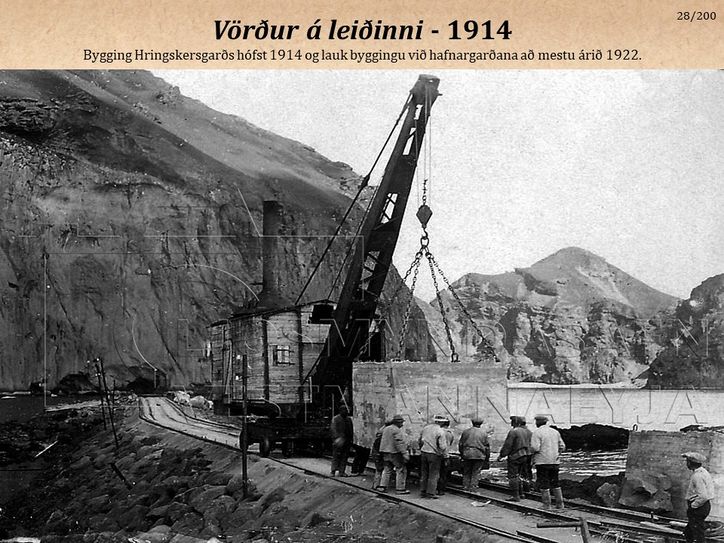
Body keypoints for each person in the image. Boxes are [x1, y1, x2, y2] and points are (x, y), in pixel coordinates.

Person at [530, 414, 566, 509]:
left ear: (538, 422)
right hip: (555, 461)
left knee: (544, 482)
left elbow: (535, 447)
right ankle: (560, 504)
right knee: (555, 482)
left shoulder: (537, 433)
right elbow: (562, 446)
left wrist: (531, 454)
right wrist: (557, 454)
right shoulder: (555, 432)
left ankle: (547, 505)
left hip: (542, 461)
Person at [682, 451, 715, 543]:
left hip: (698, 507)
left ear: (690, 463)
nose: (686, 464)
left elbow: (703, 496)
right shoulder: (703, 472)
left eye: (687, 462)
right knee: (689, 532)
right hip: (703, 506)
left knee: (697, 535)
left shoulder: (697, 476)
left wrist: (693, 506)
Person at [497, 415, 532, 502]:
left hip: (515, 456)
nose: (511, 424)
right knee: (522, 475)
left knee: (513, 476)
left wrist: (501, 455)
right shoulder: (529, 432)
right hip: (526, 455)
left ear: (516, 422)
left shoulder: (513, 432)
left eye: (512, 422)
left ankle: (515, 496)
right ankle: (522, 493)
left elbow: (508, 445)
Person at [377, 414, 410, 494]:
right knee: (401, 469)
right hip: (394, 452)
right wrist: (404, 453)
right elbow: (399, 443)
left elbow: (378, 433)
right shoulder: (396, 430)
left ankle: (382, 486)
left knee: (387, 469)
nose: (402, 424)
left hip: (385, 452)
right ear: (398, 423)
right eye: (401, 422)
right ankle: (400, 489)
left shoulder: (386, 428)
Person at [418, 415, 449, 498]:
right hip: (434, 454)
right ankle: (431, 493)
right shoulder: (440, 431)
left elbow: (420, 440)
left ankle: (423, 491)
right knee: (433, 474)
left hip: (424, 452)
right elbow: (442, 446)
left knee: (424, 473)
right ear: (441, 422)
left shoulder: (426, 428)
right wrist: (445, 455)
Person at [458, 416, 490, 491]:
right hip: (479, 454)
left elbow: (460, 444)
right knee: (476, 472)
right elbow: (487, 447)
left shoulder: (466, 432)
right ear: (481, 424)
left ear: (472, 423)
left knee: (467, 471)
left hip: (467, 454)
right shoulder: (484, 433)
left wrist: (462, 453)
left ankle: (465, 486)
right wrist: (487, 457)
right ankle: (473, 487)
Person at [330, 405, 353, 477]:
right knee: (336, 456)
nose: (346, 412)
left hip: (346, 440)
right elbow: (333, 429)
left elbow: (351, 429)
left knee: (344, 456)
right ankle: (333, 471)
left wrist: (351, 439)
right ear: (340, 411)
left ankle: (342, 471)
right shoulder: (336, 419)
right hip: (338, 441)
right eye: (344, 410)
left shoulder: (348, 419)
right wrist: (337, 438)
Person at [371, 419, 391, 489]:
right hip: (379, 454)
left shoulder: (381, 431)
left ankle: (375, 485)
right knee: (381, 469)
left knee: (378, 470)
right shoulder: (385, 433)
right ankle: (378, 485)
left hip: (376, 453)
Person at [437, 417, 455, 495]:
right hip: (445, 455)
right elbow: (450, 444)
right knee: (443, 473)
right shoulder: (450, 433)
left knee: (435, 472)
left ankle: (434, 488)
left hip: (437, 454)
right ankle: (441, 489)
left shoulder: (438, 431)